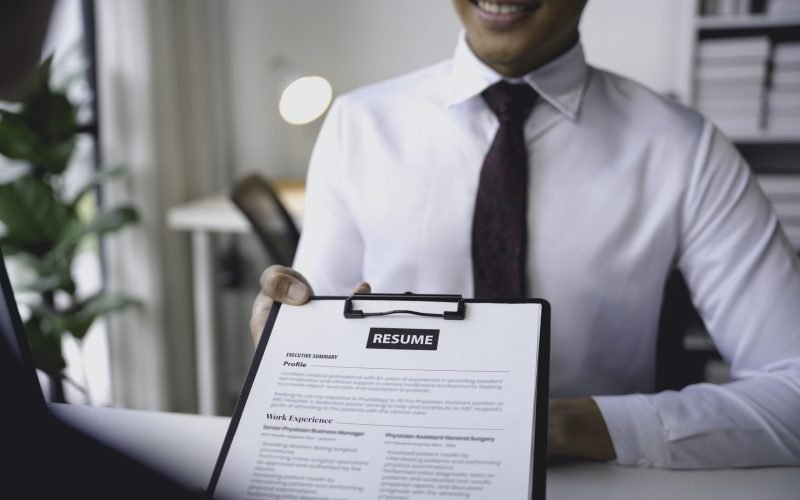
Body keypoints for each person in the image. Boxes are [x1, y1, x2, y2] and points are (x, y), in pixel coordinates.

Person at [250, 0, 800, 468]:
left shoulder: (686, 149)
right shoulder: (357, 126)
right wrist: (285, 345)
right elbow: (311, 364)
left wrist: (579, 425)